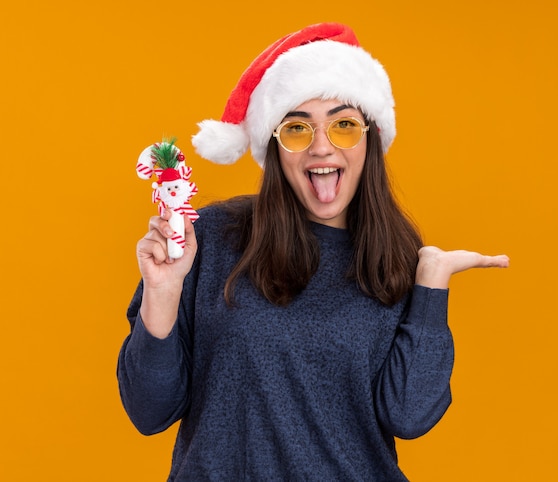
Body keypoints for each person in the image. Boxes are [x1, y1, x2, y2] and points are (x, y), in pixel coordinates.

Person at [117, 22, 509, 481]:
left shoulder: (397, 258)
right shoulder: (211, 238)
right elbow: (149, 411)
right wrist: (161, 295)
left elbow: (409, 416)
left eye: (344, 125)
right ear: (275, 146)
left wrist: (431, 287)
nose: (322, 146)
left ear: (370, 138)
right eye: (298, 128)